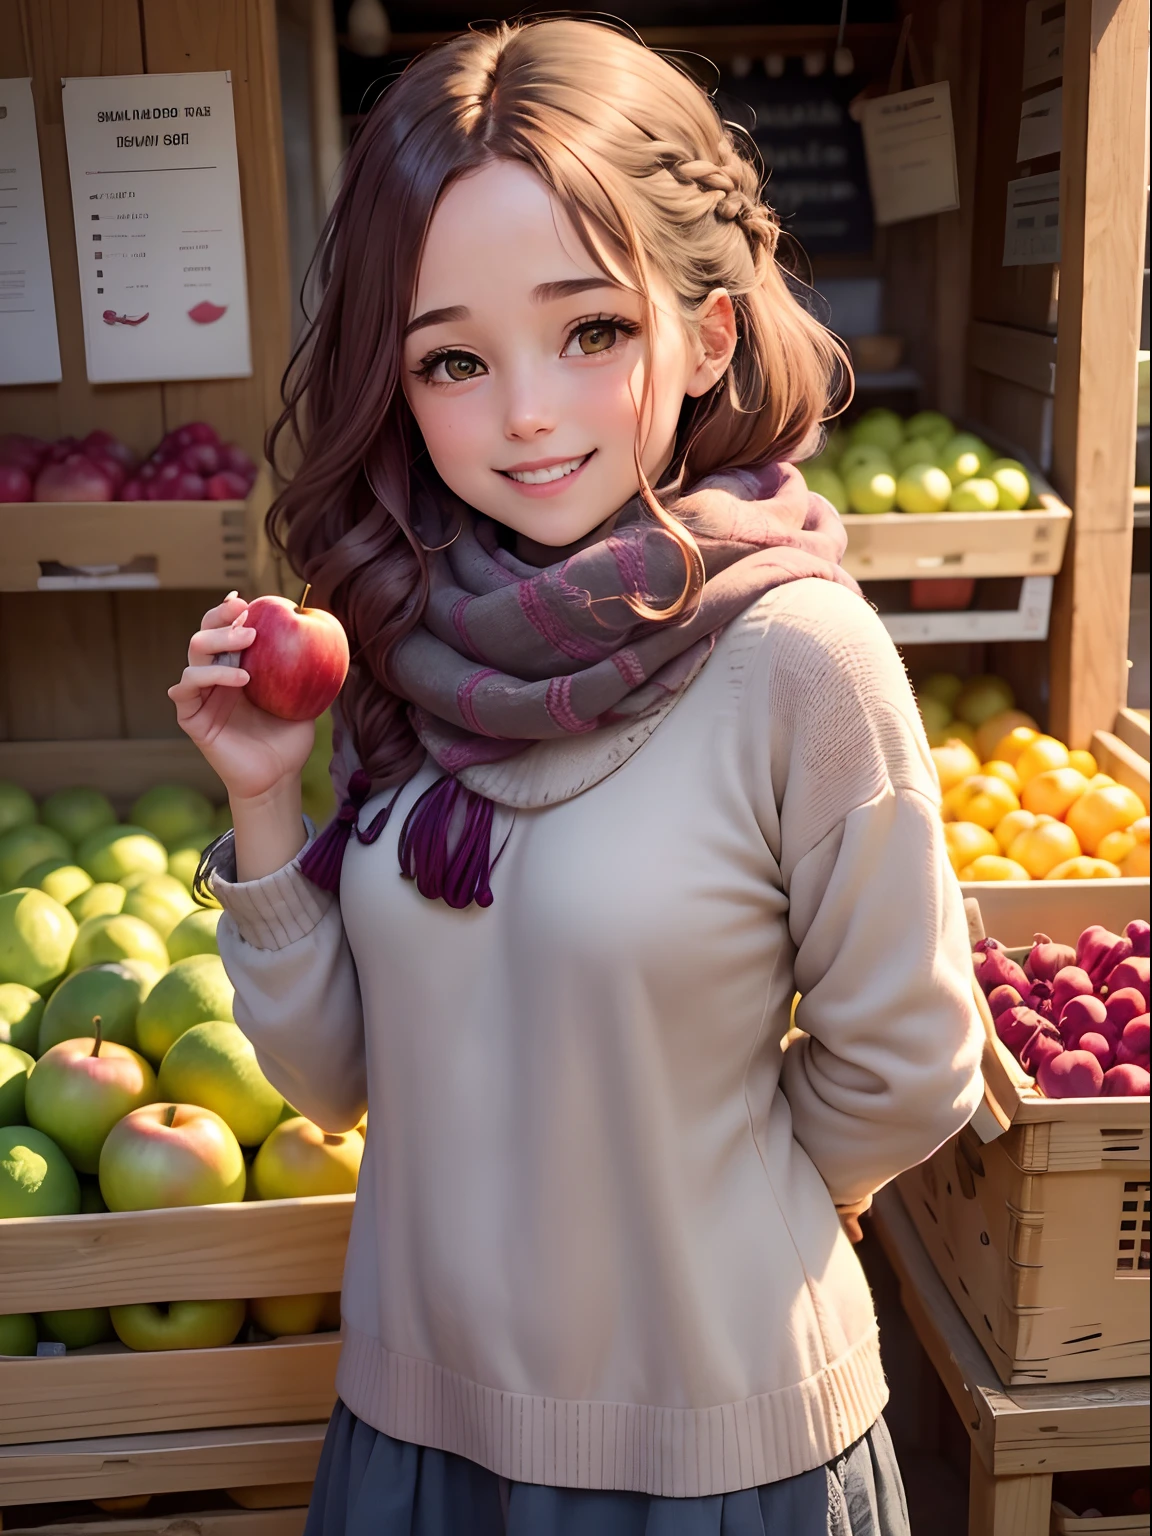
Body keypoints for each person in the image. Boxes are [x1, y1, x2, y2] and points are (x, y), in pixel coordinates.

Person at [169, 20, 983, 1535]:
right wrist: (268, 802)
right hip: (419, 1429)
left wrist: (696, 1206)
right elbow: (342, 1082)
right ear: (398, 387)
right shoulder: (404, 642)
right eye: (453, 360)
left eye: (592, 331)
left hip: (717, 1444)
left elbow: (906, 1067)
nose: (526, 413)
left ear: (711, 337)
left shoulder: (798, 660)